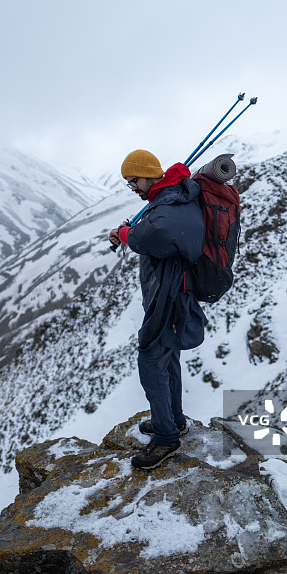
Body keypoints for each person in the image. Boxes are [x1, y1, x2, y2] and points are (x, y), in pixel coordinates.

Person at [109, 149, 207, 470]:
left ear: (148, 174)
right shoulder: (170, 199)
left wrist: (124, 233)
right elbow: (147, 232)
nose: (132, 188)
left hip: (169, 298)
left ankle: (166, 439)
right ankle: (173, 419)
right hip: (175, 293)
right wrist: (130, 231)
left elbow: (149, 236)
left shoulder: (169, 209)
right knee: (167, 357)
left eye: (133, 181)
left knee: (151, 360)